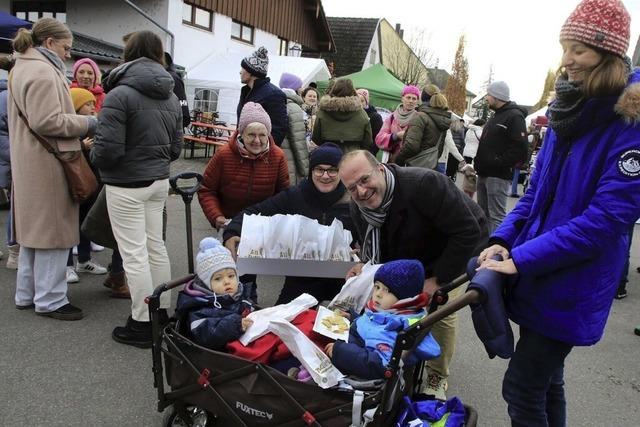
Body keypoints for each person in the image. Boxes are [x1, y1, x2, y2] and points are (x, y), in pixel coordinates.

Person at [476, 1, 639, 425]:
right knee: (548, 382)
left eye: (579, 49)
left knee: (522, 386)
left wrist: (522, 259)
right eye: (564, 47)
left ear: (610, 53)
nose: (566, 59)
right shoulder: (567, 111)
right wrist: (501, 240)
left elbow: (605, 220)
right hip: (537, 271)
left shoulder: (630, 120)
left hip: (573, 280)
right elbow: (533, 197)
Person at [339, 150, 488, 399]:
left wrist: (437, 279)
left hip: (454, 247)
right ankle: (394, 358)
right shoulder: (358, 207)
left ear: (381, 169)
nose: (361, 192)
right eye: (352, 188)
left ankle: (437, 374)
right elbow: (377, 249)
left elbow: (467, 231)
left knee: (439, 313)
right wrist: (365, 266)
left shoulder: (425, 184)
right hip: (410, 253)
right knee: (391, 307)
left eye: (365, 180)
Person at [92, 30, 183, 347]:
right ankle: (163, 315)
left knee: (134, 255)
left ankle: (142, 324)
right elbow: (176, 148)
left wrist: (94, 154)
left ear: (128, 53)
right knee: (155, 247)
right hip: (158, 181)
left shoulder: (119, 94)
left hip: (127, 183)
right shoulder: (170, 95)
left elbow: (107, 150)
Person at [9, 18, 97, 320]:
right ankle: (51, 299)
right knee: (54, 234)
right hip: (49, 161)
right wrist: (88, 122)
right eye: (65, 48)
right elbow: (47, 121)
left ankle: (26, 293)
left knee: (34, 233)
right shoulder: (44, 73)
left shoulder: (21, 66)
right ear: (49, 43)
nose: (68, 55)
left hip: (30, 159)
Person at [223, 143, 353, 304]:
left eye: (332, 170)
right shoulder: (295, 196)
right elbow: (254, 212)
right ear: (311, 171)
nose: (325, 176)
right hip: (301, 280)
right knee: (279, 322)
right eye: (319, 169)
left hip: (343, 281)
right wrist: (232, 231)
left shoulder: (352, 198)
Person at [198, 102, 289, 302]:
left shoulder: (277, 157)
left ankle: (249, 300)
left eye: (262, 135)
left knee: (249, 269)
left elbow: (284, 194)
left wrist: (276, 222)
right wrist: (216, 216)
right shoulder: (224, 155)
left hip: (259, 224)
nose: (257, 140)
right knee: (227, 268)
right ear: (241, 134)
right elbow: (207, 189)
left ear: (268, 135)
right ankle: (222, 305)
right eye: (251, 135)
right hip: (230, 221)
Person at [326, 259, 440, 380]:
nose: (378, 294)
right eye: (377, 287)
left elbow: (381, 365)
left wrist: (340, 352)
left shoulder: (398, 330)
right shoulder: (389, 311)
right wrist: (353, 318)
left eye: (387, 290)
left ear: (405, 298)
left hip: (358, 367)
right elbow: (375, 325)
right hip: (352, 346)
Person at [175, 237, 254, 351]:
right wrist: (236, 325)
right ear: (207, 284)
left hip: (243, 343)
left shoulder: (240, 295)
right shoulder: (200, 306)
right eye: (218, 279)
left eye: (231, 276)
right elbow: (205, 335)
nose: (227, 281)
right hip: (221, 356)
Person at [65, 88, 108, 284]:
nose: (93, 107)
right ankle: (65, 266)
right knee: (69, 225)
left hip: (90, 184)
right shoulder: (68, 127)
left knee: (83, 224)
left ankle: (83, 260)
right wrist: (82, 146)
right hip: (73, 183)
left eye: (93, 103)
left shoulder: (94, 126)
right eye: (87, 104)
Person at [474, 81, 528, 233]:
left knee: (496, 216)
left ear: (497, 96)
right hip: (484, 173)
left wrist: (499, 162)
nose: (487, 98)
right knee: (483, 215)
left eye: (489, 95)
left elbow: (521, 148)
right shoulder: (496, 115)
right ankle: (482, 249)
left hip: (498, 175)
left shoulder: (514, 116)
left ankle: (494, 251)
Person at [237, 47, 288, 146]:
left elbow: (278, 130)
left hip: (260, 154)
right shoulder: (246, 91)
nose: (240, 72)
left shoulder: (274, 94)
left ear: (251, 71)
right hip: (243, 150)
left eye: (243, 68)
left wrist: (263, 153)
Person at [394, 88, 451, 168]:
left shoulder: (420, 116)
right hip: (430, 167)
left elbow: (411, 146)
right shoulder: (443, 122)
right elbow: (439, 150)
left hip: (413, 168)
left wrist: (397, 161)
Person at [312, 78, 373, 153]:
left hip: (328, 154)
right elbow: (368, 141)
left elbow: (316, 138)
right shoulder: (361, 113)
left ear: (334, 90)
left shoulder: (323, 112)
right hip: (353, 155)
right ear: (353, 91)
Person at [279, 72, 310, 186]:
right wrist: (305, 170)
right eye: (300, 86)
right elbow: (298, 141)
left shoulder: (278, 102)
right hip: (290, 159)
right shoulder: (293, 107)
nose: (302, 89)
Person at [375, 85, 420, 161]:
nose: (411, 101)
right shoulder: (392, 117)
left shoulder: (419, 118)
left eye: (414, 99)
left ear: (417, 101)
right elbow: (379, 139)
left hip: (410, 163)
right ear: (402, 98)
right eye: (408, 97)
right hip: (392, 162)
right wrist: (395, 136)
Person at [164, 52, 191, 129]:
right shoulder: (171, 77)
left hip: (171, 125)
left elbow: (181, 103)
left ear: (165, 63)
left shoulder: (172, 78)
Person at [357, 88, 383, 152]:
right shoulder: (352, 114)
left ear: (366, 102)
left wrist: (370, 153)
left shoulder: (375, 117)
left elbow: (377, 139)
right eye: (357, 100)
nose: (359, 103)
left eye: (362, 101)